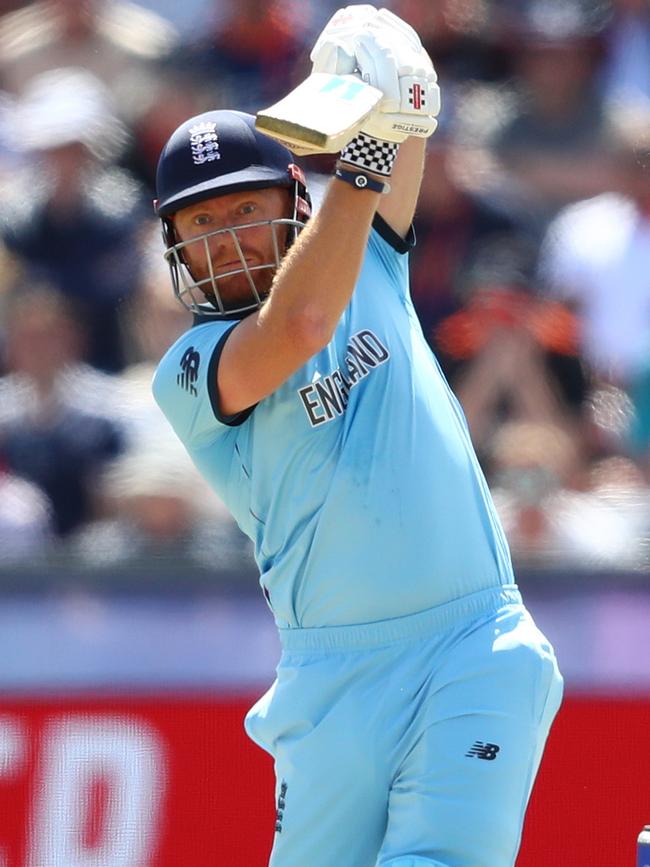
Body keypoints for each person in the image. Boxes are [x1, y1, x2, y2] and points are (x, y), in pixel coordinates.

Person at [152, 6, 563, 866]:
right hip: (331, 682)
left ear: (293, 201)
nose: (223, 242)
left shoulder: (368, 247)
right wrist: (369, 151)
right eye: (199, 225)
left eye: (242, 210)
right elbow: (300, 322)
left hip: (472, 644)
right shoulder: (189, 370)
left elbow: (406, 131)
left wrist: (390, 70)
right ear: (173, 249)